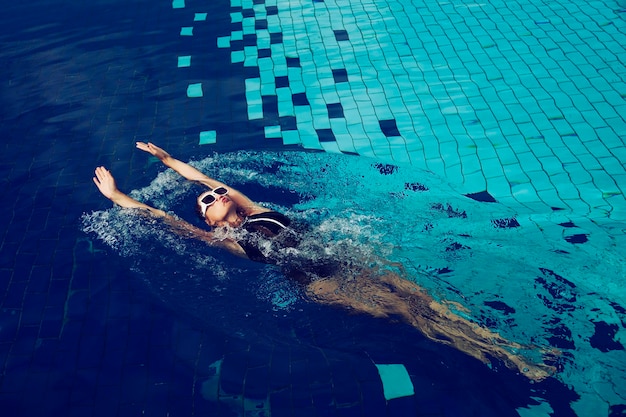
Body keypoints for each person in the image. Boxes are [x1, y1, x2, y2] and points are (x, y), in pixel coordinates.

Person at [93, 142, 557, 381]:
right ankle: (508, 360)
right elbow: (159, 217)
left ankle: (507, 346)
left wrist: (168, 159)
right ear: (211, 222)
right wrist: (117, 197)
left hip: (339, 256)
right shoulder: (227, 243)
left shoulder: (253, 207)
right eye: (208, 201)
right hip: (317, 284)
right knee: (406, 314)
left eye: (216, 191)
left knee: (422, 299)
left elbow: (200, 175)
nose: (214, 193)